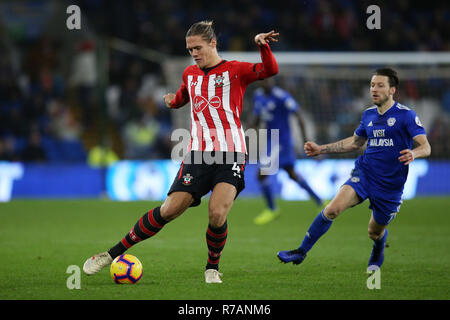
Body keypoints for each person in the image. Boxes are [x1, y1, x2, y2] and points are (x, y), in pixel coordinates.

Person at [83, 21, 279, 283]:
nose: (194, 53)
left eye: (197, 47)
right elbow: (184, 96)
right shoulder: (190, 74)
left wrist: (262, 46)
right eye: (189, 50)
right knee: (169, 210)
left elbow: (270, 69)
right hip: (198, 154)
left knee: (217, 213)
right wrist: (171, 101)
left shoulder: (235, 71)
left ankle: (211, 268)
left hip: (231, 152)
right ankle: (111, 254)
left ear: (212, 43)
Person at [277, 68, 431, 272]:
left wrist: (414, 154)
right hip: (365, 174)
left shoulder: (406, 116)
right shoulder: (368, 115)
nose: (374, 89)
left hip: (390, 186)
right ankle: (301, 251)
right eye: (372, 85)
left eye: (380, 85)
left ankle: (378, 247)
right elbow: (356, 142)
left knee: (374, 232)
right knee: (332, 209)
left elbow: (425, 147)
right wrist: (321, 148)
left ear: (392, 89)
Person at [252, 78, 322, 225]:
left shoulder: (281, 96)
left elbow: (299, 115)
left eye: (269, 79)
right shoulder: (258, 95)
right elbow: (257, 118)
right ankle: (320, 201)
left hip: (281, 141)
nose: (267, 82)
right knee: (291, 174)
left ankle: (272, 209)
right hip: (272, 140)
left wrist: (306, 140)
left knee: (261, 174)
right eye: (264, 80)